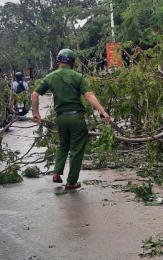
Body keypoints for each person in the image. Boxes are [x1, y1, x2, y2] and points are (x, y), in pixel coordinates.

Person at [32, 49, 111, 191]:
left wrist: (36, 113)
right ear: (72, 62)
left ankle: (56, 173)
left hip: (61, 117)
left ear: (59, 61)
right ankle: (71, 182)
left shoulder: (50, 77)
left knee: (63, 145)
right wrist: (103, 112)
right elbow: (88, 95)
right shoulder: (77, 76)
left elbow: (34, 95)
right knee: (76, 149)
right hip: (76, 117)